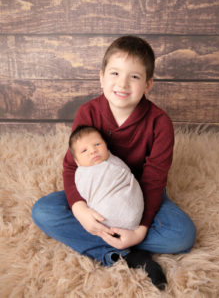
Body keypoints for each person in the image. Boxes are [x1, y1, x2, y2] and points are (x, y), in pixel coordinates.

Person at [32, 35, 196, 290]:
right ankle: (124, 254)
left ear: (148, 84)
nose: (122, 83)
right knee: (43, 211)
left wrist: (140, 230)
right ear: (101, 77)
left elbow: (153, 181)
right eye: (115, 73)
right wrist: (79, 209)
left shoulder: (159, 122)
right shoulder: (89, 112)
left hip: (140, 195)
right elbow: (71, 165)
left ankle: (126, 241)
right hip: (95, 195)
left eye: (134, 77)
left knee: (183, 235)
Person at [69, 125, 144, 230]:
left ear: (106, 146)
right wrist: (81, 210)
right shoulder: (82, 173)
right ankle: (112, 238)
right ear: (77, 161)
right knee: (44, 210)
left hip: (131, 212)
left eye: (97, 144)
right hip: (101, 218)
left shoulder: (114, 161)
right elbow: (85, 195)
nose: (93, 150)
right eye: (84, 151)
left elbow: (127, 176)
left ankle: (115, 240)